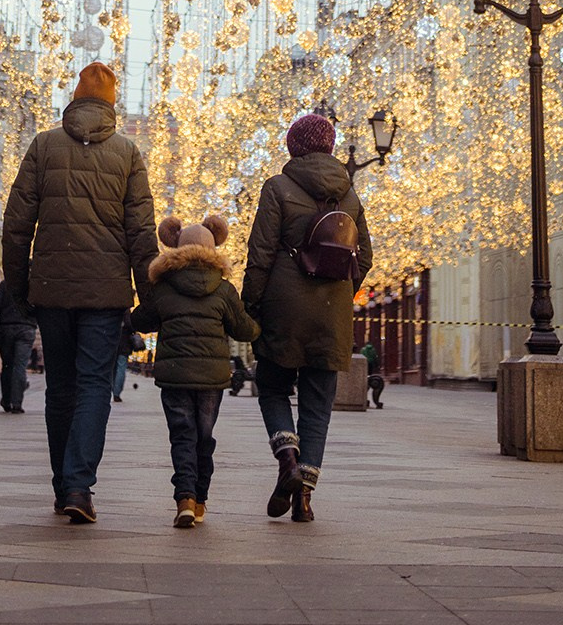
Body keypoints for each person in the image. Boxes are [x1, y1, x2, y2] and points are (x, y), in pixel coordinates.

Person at [2, 60, 157, 525]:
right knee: (93, 385)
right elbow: (142, 232)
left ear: (73, 99)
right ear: (112, 105)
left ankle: (63, 484)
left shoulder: (43, 145)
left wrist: (19, 285)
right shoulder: (128, 153)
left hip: (51, 288)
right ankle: (78, 485)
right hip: (106, 293)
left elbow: (15, 225)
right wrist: (148, 296)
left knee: (60, 388)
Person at [242, 111, 373, 522]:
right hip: (332, 313)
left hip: (283, 307)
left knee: (273, 386)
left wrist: (252, 305)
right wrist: (340, 292)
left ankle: (287, 460)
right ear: (331, 147)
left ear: (292, 146)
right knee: (318, 405)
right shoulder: (349, 195)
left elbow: (260, 255)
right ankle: (304, 500)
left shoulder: (277, 187)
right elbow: (364, 257)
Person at [130, 211, 259, 527]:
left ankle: (185, 498)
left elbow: (141, 321)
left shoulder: (163, 287)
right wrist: (260, 327)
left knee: (182, 435)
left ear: (174, 248)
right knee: (204, 436)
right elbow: (244, 330)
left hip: (174, 374)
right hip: (212, 378)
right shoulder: (224, 289)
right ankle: (200, 499)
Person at [0, 277, 37, 414]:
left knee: (7, 365)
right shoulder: (34, 284)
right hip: (26, 328)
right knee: (20, 366)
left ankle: (6, 401)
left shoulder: (7, 283)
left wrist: (4, 315)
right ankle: (17, 403)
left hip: (7, 328)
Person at [112, 311, 139, 402]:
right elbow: (131, 326)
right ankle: (116, 393)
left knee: (112, 368)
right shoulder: (125, 311)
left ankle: (110, 389)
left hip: (111, 345)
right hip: (123, 346)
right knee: (121, 368)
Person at [360, 338, 385, 408]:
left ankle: (367, 377)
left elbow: (361, 356)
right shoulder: (373, 349)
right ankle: (369, 377)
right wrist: (377, 365)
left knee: (366, 375)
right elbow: (375, 357)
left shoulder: (363, 349)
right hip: (371, 363)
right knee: (370, 374)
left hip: (365, 363)